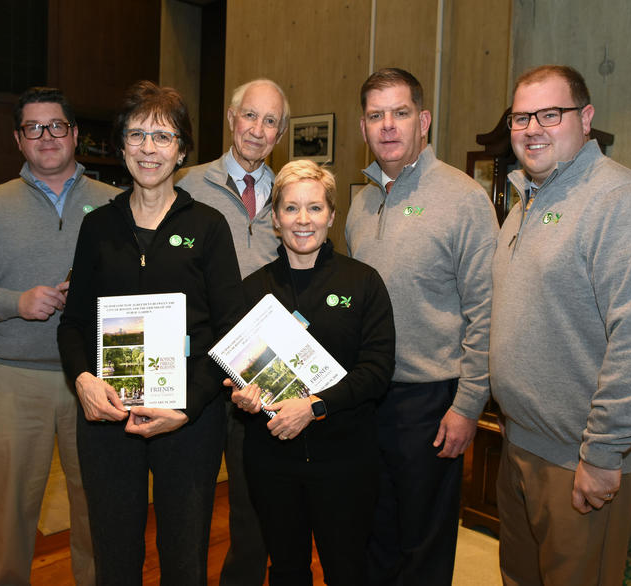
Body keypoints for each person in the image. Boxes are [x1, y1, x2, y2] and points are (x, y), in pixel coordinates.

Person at [490, 65, 631, 585]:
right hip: (521, 445)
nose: (532, 128)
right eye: (521, 117)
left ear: (587, 118)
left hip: (579, 462)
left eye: (550, 114)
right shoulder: (525, 201)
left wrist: (602, 453)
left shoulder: (624, 205)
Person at [57, 81, 244, 585]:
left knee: (184, 560)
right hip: (108, 415)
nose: (148, 148)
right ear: (120, 146)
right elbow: (74, 323)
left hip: (188, 417)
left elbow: (229, 332)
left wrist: (186, 407)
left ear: (182, 149)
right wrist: (81, 380)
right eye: (137, 135)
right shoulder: (98, 227)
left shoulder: (209, 226)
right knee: (115, 559)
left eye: (162, 137)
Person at [0, 87, 118, 586]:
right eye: (33, 128)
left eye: (57, 125)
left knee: (97, 507)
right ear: (19, 140)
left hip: (96, 380)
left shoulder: (114, 204)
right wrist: (15, 302)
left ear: (75, 133)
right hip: (15, 380)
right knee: (11, 509)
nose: (47, 137)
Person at [345, 67, 499, 584]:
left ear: (424, 121)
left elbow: (487, 312)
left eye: (401, 113)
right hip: (367, 398)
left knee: (423, 547)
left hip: (431, 401)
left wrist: (467, 406)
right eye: (375, 115)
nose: (388, 126)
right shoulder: (361, 202)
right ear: (363, 127)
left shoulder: (464, 198)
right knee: (373, 533)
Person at [230, 160, 395, 585]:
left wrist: (316, 406)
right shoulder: (252, 291)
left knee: (346, 569)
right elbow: (237, 372)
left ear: (332, 216)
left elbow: (376, 372)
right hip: (272, 461)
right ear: (275, 219)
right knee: (285, 570)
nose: (303, 220)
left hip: (345, 459)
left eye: (315, 208)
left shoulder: (364, 283)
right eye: (290, 208)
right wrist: (242, 394)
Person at [178, 78, 288, 585]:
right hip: (198, 369)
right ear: (230, 117)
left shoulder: (292, 196)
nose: (258, 129)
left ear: (280, 132)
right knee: (190, 503)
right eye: (250, 116)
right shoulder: (185, 184)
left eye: (270, 121)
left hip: (260, 374)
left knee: (255, 506)